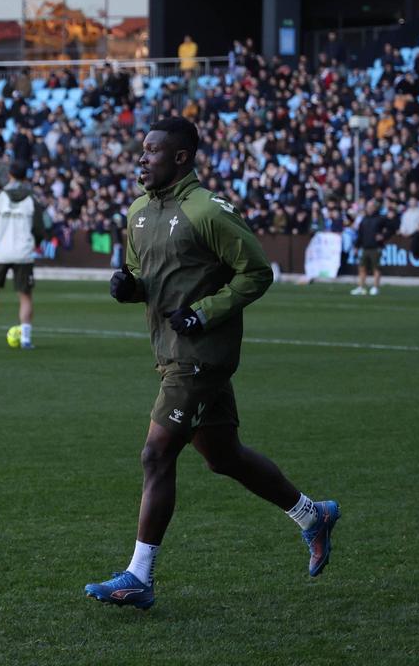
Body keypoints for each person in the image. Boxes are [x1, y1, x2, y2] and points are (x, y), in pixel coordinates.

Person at [85, 117, 339, 611]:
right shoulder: (138, 211)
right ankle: (313, 515)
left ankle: (139, 576)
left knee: (156, 455)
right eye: (142, 150)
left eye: (152, 152)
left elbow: (257, 273)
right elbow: (144, 274)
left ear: (181, 157)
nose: (142, 159)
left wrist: (204, 313)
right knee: (224, 457)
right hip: (169, 352)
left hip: (201, 356)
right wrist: (129, 287)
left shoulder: (209, 210)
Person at [0, 161, 46, 349]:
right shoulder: (32, 199)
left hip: (0, 252)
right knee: (25, 295)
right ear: (25, 177)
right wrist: (34, 243)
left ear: (10, 174)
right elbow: (40, 228)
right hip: (23, 253)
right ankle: (26, 339)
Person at [352, 200, 395, 296]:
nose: (369, 208)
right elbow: (360, 234)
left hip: (376, 247)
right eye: (368, 206)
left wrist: (383, 236)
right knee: (362, 267)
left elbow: (391, 228)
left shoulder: (381, 218)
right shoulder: (364, 219)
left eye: (371, 206)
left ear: (375, 208)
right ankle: (361, 287)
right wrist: (356, 246)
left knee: (376, 268)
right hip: (365, 247)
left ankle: (375, 287)